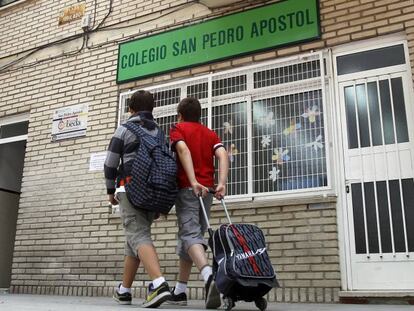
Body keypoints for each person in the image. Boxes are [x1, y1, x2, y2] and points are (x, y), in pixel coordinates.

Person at [104, 90, 172, 308]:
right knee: (133, 240)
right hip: (153, 192)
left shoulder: (124, 129)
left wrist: (109, 190)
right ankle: (124, 291)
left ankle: (159, 284)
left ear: (130, 109)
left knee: (138, 234)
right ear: (152, 109)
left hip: (130, 188)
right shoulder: (159, 133)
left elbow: (110, 162)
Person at [168, 97, 229, 309]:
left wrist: (192, 181)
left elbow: (183, 150)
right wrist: (221, 183)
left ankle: (209, 275)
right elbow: (222, 154)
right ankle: (180, 291)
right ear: (199, 115)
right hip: (208, 191)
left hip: (188, 188)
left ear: (180, 114)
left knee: (189, 235)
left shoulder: (177, 128)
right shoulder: (210, 133)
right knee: (191, 237)